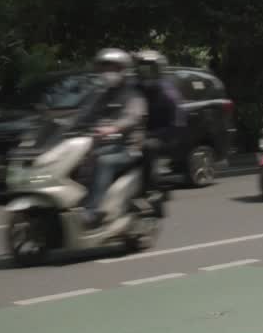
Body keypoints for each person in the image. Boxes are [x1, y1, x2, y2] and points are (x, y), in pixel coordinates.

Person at [76, 48, 147, 227]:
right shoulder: (102, 94)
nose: (108, 73)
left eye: (113, 68)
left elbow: (133, 117)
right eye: (105, 68)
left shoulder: (133, 95)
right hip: (103, 145)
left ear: (123, 70)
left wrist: (113, 127)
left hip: (129, 148)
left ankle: (93, 210)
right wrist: (65, 124)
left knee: (103, 161)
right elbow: (85, 115)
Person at [134, 50, 185, 189]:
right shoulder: (135, 89)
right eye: (143, 68)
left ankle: (151, 188)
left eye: (151, 68)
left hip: (162, 136)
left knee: (148, 147)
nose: (147, 72)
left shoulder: (169, 94)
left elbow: (177, 124)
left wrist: (149, 135)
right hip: (135, 135)